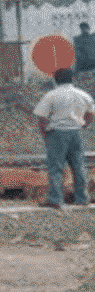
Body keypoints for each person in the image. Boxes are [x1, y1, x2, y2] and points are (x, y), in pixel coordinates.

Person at [33, 67, 94, 208]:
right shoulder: (82, 94)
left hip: (57, 133)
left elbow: (41, 117)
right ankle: (82, 198)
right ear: (72, 78)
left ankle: (56, 200)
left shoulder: (51, 95)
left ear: (56, 80)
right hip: (76, 132)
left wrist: (45, 135)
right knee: (78, 166)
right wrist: (84, 125)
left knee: (55, 167)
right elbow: (91, 113)